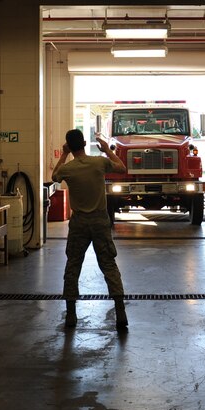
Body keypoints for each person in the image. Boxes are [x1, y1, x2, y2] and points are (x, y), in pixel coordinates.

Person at [52, 129, 129, 330]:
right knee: (109, 264)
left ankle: (71, 314)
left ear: (69, 146)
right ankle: (120, 311)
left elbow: (54, 176)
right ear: (85, 143)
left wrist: (64, 154)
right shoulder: (99, 162)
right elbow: (122, 168)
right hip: (100, 221)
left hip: (79, 223)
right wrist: (107, 150)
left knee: (73, 265)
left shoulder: (68, 168)